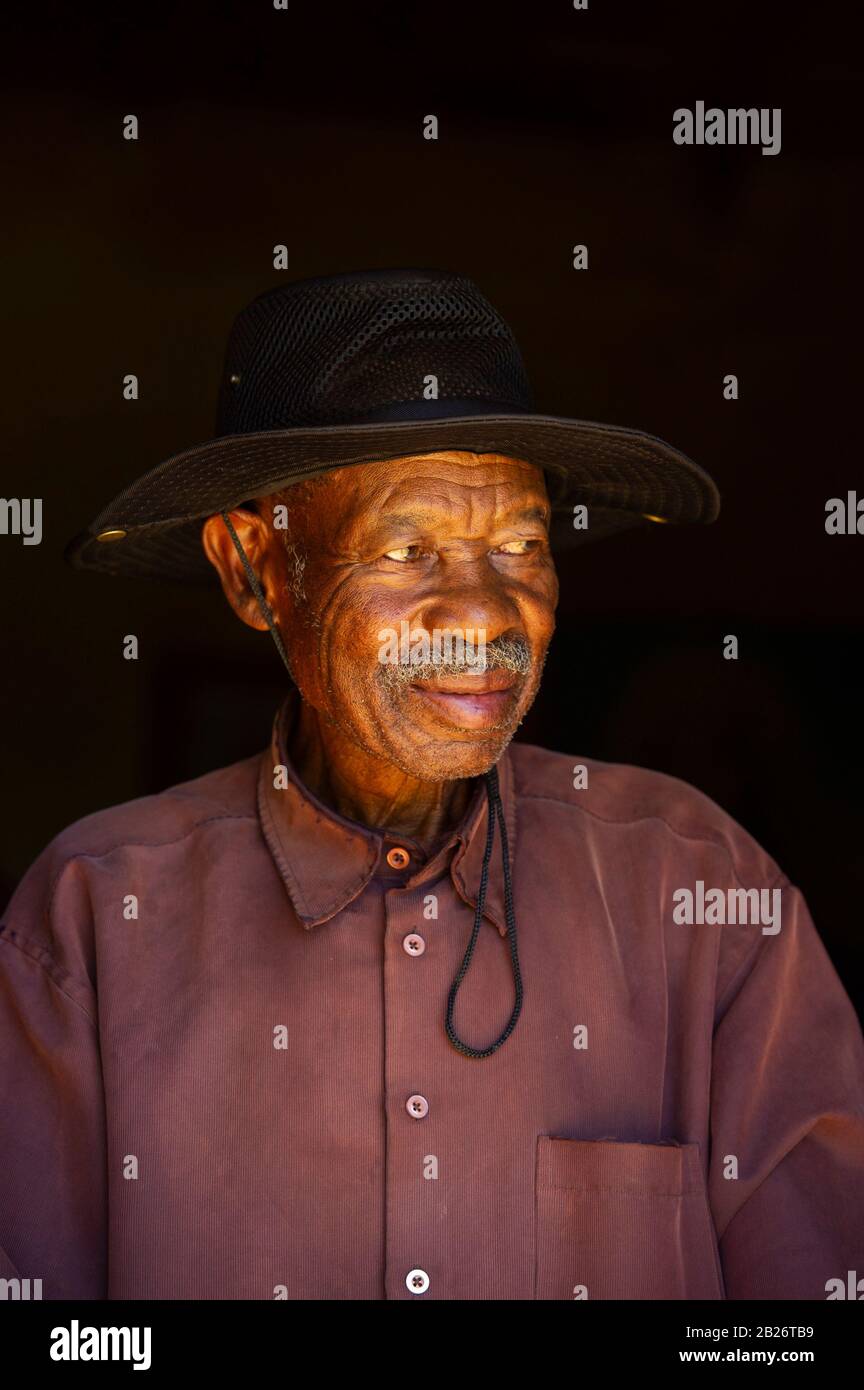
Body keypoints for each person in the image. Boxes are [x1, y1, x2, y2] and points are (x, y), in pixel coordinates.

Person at [1, 268, 862, 1301]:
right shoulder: (94, 917)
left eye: (521, 546)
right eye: (407, 550)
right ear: (255, 571)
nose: (484, 614)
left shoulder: (703, 894)